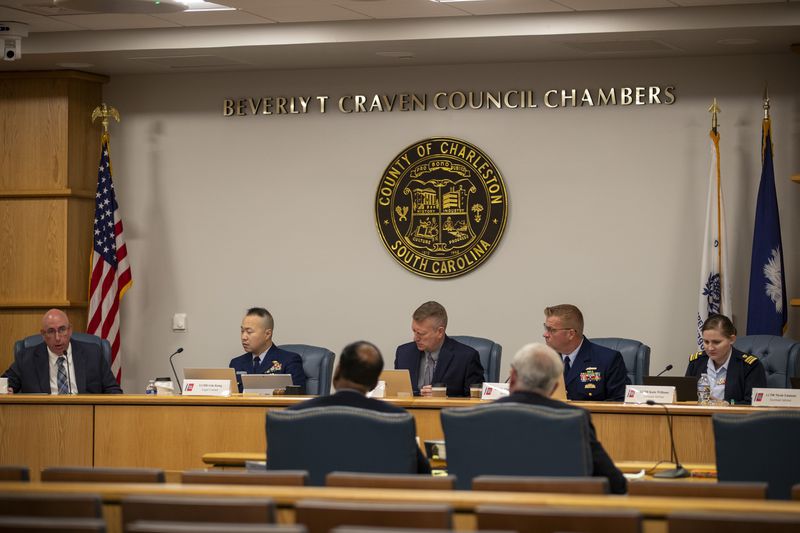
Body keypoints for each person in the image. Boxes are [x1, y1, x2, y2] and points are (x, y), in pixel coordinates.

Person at [496, 342, 627, 494]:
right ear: (554, 387)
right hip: (556, 512)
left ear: (512, 378)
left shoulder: (476, 415)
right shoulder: (573, 419)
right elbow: (615, 483)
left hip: (489, 511)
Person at [287, 340, 431, 473]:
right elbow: (422, 473)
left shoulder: (294, 415)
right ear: (374, 384)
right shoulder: (397, 419)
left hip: (312, 499)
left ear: (336, 372)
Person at [2, 308, 122, 394]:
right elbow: (4, 384)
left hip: (86, 419)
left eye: (62, 330)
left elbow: (114, 391)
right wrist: (5, 390)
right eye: (51, 331)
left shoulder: (93, 354)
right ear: (43, 335)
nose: (58, 337)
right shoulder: (26, 358)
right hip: (42, 421)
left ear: (70, 330)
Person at [394, 301, 484, 397]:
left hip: (447, 411)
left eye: (421, 333)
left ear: (440, 332)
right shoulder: (403, 353)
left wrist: (444, 396)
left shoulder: (466, 357)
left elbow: (475, 400)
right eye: (414, 331)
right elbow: (396, 393)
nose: (415, 338)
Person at [543, 304, 629, 401]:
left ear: (571, 334)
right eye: (546, 328)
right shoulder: (545, 360)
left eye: (552, 330)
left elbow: (620, 402)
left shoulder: (609, 359)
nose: (545, 334)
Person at [685, 314, 766, 405]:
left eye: (716, 342)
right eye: (706, 342)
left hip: (733, 418)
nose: (710, 348)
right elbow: (685, 398)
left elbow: (754, 403)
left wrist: (727, 404)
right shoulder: (696, 362)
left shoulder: (749, 366)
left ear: (732, 339)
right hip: (697, 417)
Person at [229, 307, 306, 393]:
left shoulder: (289, 360)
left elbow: (298, 397)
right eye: (242, 331)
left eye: (249, 332)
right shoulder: (236, 363)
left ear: (267, 334)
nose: (243, 337)